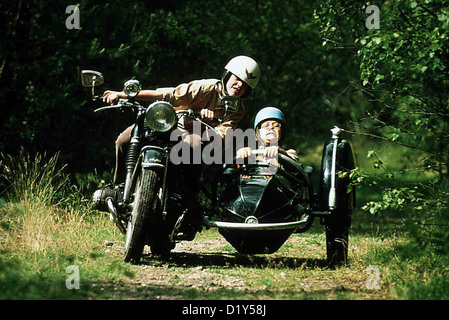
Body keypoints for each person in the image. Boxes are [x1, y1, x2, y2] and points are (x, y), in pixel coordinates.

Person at [104, 55, 261, 184]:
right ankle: (120, 187)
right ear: (228, 75)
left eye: (245, 85)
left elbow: (223, 134)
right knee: (124, 140)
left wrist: (207, 126)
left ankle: (184, 197)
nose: (239, 85)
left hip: (194, 133)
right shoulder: (206, 87)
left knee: (193, 147)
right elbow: (167, 95)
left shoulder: (237, 110)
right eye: (237, 78)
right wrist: (123, 94)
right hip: (168, 120)